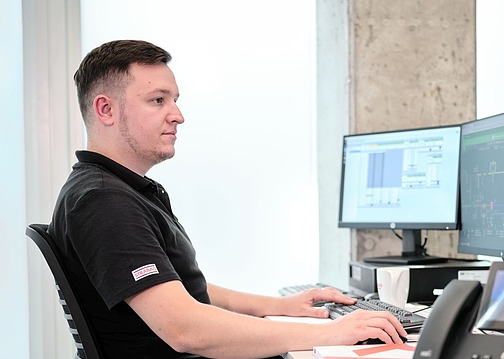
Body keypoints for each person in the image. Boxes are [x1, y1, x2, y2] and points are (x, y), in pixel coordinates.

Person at [48, 39, 407, 359]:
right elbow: (186, 329)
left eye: (175, 100)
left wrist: (279, 305)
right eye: (158, 100)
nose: (178, 115)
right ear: (105, 110)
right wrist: (331, 333)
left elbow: (178, 291)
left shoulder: (120, 189)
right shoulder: (103, 201)